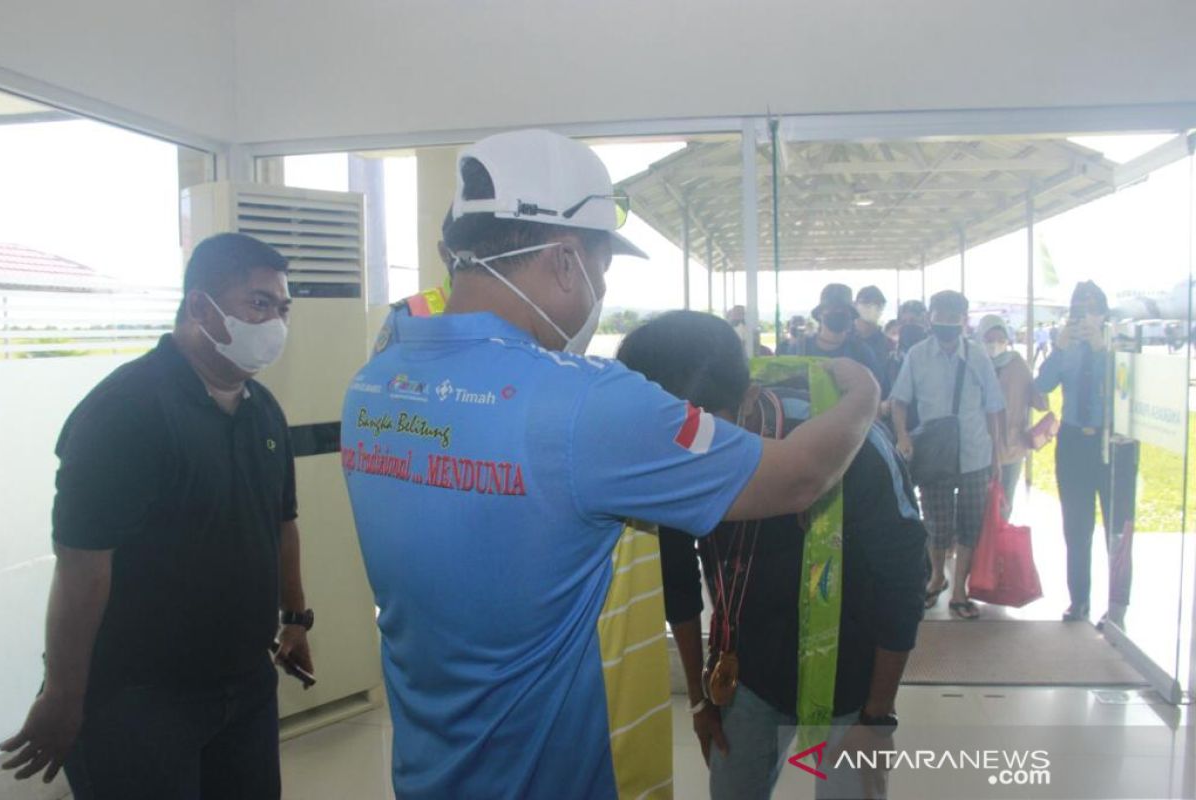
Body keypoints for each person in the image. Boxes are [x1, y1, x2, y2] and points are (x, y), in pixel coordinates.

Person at [339, 129, 880, 799]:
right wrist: (865, 394)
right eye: (601, 266)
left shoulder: (373, 383)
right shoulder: (584, 402)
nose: (599, 286)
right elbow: (798, 475)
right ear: (566, 261)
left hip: (427, 770)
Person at [0, 233, 313, 799]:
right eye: (259, 304)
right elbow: (80, 570)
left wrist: (295, 619)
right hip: (137, 699)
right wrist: (64, 697)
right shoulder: (124, 413)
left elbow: (282, 523)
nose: (275, 323)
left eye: (282, 308)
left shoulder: (262, 410)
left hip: (244, 687)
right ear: (200, 308)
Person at [617, 310, 926, 800]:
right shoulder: (667, 455)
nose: (685, 453)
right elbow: (675, 577)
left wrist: (878, 716)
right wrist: (701, 700)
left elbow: (903, 580)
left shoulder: (854, 446)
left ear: (748, 402)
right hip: (746, 675)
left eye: (700, 430)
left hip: (851, 676)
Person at [891, 290, 1004, 621]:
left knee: (970, 523)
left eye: (953, 323)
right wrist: (902, 436)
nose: (947, 329)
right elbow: (899, 400)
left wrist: (996, 454)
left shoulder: (978, 357)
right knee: (936, 522)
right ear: (930, 320)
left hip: (974, 453)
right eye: (941, 322)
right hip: (935, 454)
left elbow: (994, 407)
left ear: (964, 322)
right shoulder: (917, 355)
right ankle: (937, 576)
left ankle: (960, 592)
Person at [1035, 281, 1135, 624]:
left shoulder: (1120, 344)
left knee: (1117, 529)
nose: (1085, 317)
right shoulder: (1067, 346)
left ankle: (1118, 606)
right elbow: (1041, 386)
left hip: (1114, 444)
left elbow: (1129, 388)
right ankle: (1079, 600)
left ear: (1104, 313)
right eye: (1079, 310)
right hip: (1074, 442)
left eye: (1092, 310)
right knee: (1076, 527)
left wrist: (1102, 350)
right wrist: (1059, 349)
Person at [978, 315, 1047, 517]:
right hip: (980, 446)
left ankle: (999, 545)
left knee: (1004, 502)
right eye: (989, 340)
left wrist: (1042, 390)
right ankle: (980, 547)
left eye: (1001, 340)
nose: (995, 345)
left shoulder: (1017, 363)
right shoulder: (975, 362)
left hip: (1012, 445)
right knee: (978, 505)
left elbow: (1037, 398)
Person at [790, 283, 886, 390]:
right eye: (832, 308)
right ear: (820, 314)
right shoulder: (800, 349)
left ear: (851, 315)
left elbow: (877, 390)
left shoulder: (861, 352)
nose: (838, 312)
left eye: (843, 309)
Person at [854, 285, 893, 365]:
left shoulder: (889, 345)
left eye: (877, 304)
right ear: (855, 305)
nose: (871, 307)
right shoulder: (843, 338)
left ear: (882, 308)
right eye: (866, 302)